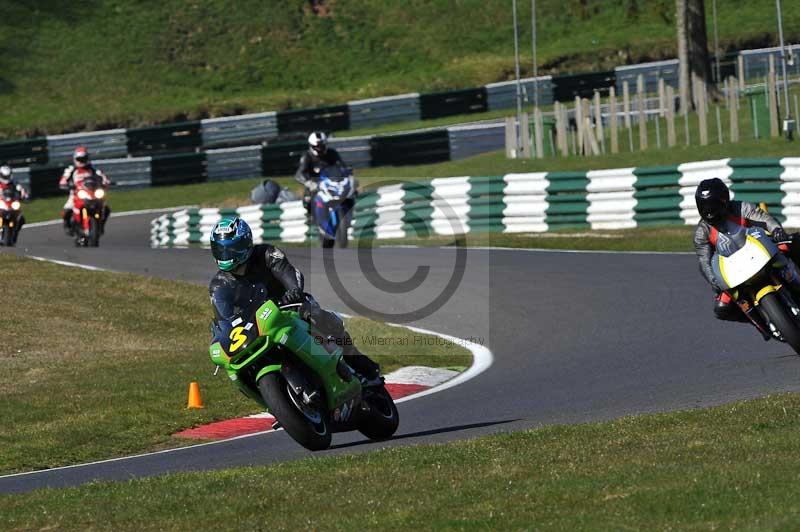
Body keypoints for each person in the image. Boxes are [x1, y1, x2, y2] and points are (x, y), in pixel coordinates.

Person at [208, 216, 381, 383]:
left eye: (231, 249)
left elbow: (289, 273)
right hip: (255, 326)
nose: (225, 255)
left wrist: (293, 291)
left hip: (288, 306)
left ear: (245, 243)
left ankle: (360, 363)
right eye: (220, 250)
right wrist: (221, 335)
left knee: (315, 316)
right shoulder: (218, 286)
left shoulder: (267, 254)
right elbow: (225, 320)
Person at [694, 177, 796, 328]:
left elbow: (764, 218)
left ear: (724, 199)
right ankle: (761, 322)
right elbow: (704, 260)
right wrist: (713, 280)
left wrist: (776, 230)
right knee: (722, 308)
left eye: (712, 204)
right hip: (734, 271)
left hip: (762, 252)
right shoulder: (702, 232)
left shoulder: (741, 208)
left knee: (794, 242)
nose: (709, 210)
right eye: (704, 206)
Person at [58, 146, 110, 235]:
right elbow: (63, 180)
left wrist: (105, 182)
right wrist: (66, 185)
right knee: (67, 210)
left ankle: (100, 226)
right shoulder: (71, 169)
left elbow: (103, 177)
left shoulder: (93, 169)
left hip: (92, 193)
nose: (82, 161)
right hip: (76, 193)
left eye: (84, 159)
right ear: (75, 159)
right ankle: (68, 226)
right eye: (79, 159)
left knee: (106, 208)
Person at [294, 131, 347, 217]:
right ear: (312, 146)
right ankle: (311, 217)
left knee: (350, 192)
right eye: (317, 147)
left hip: (332, 182)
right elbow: (299, 174)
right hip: (315, 185)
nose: (320, 149)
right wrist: (309, 183)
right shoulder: (307, 157)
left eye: (321, 146)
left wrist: (346, 173)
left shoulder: (332, 153)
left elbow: (341, 166)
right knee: (308, 200)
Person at [0, 164, 28, 242]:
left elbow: (22, 191)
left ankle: (15, 233)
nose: (6, 178)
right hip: (1, 204)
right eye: (5, 176)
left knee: (21, 219)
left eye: (8, 176)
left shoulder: (15, 183)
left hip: (11, 204)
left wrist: (24, 196)